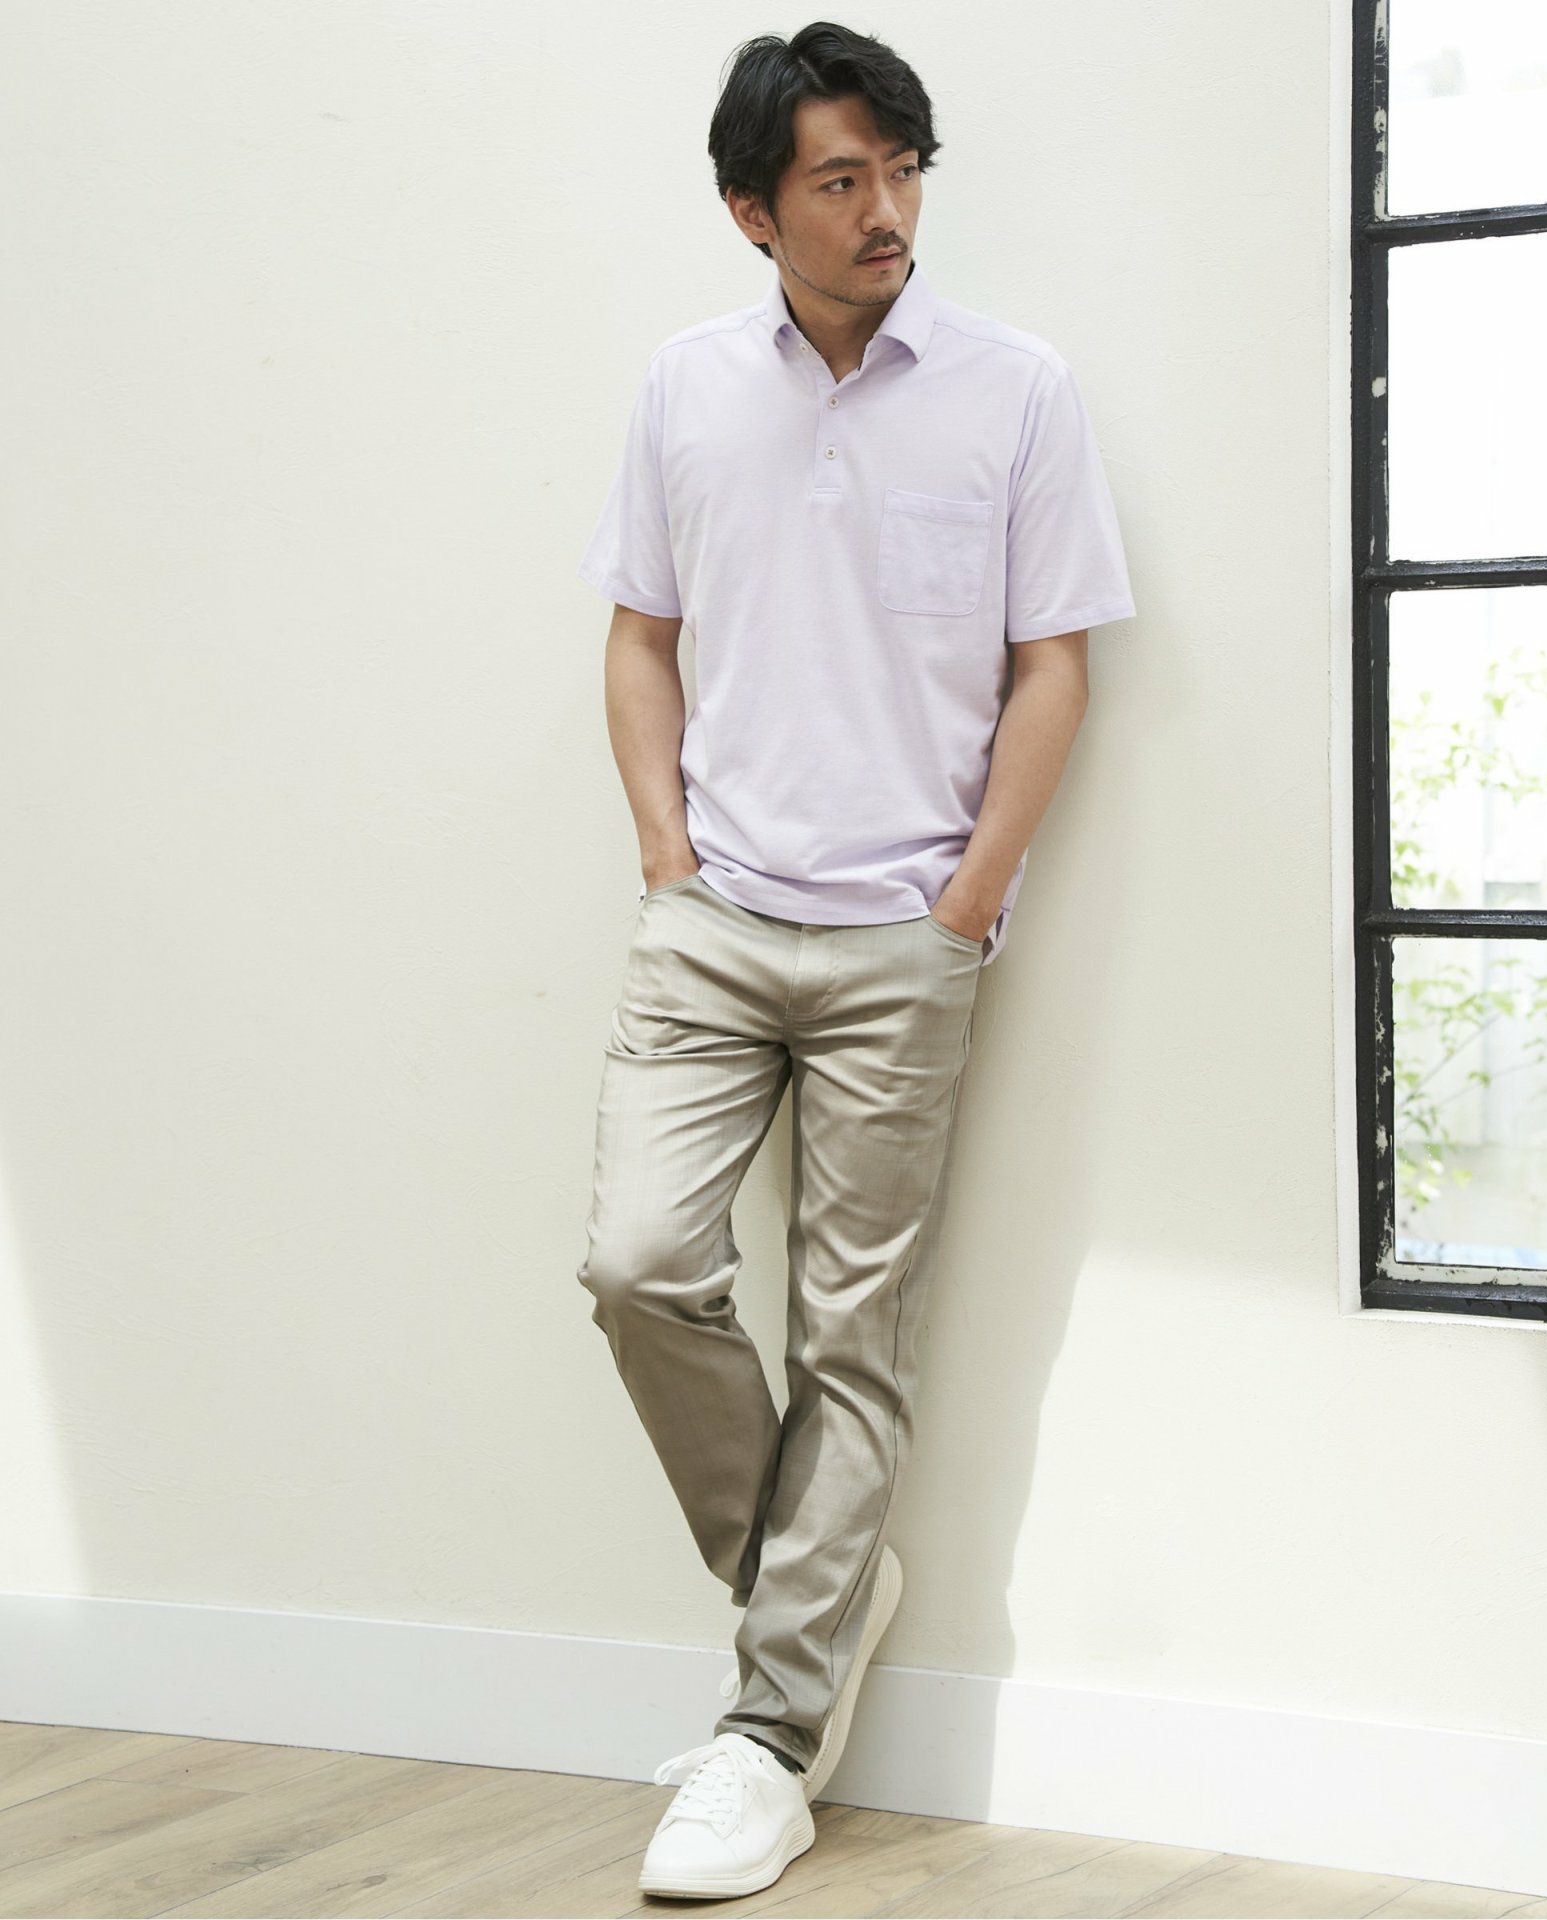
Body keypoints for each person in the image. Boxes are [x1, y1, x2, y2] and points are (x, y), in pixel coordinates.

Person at [574, 19, 1136, 1901]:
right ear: (755, 210)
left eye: (903, 168)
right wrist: (666, 857)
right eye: (842, 178)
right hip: (714, 918)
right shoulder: (683, 388)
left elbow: (1054, 663)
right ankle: (815, 1594)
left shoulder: (1016, 389)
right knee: (638, 1267)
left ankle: (764, 1744)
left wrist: (966, 901)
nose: (886, 207)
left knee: (852, 1338)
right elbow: (640, 632)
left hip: (909, 934)